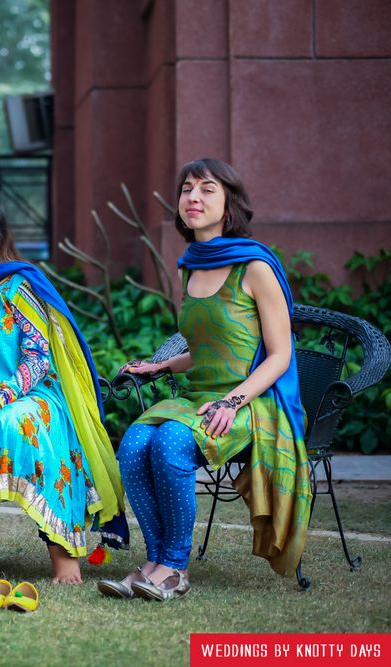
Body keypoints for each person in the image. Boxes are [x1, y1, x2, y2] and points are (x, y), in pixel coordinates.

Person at [97, 158, 311, 601]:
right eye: (187, 189)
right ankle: (155, 562)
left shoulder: (255, 267)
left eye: (207, 189)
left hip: (254, 401)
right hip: (199, 396)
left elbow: (279, 355)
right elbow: (213, 348)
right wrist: (162, 366)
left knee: (172, 441)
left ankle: (174, 568)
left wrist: (232, 402)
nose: (193, 197)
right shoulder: (190, 267)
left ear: (229, 204)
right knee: (135, 444)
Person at [0, 186, 127, 586]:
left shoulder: (16, 285)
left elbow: (39, 356)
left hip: (28, 392)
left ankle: (63, 553)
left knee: (30, 423)